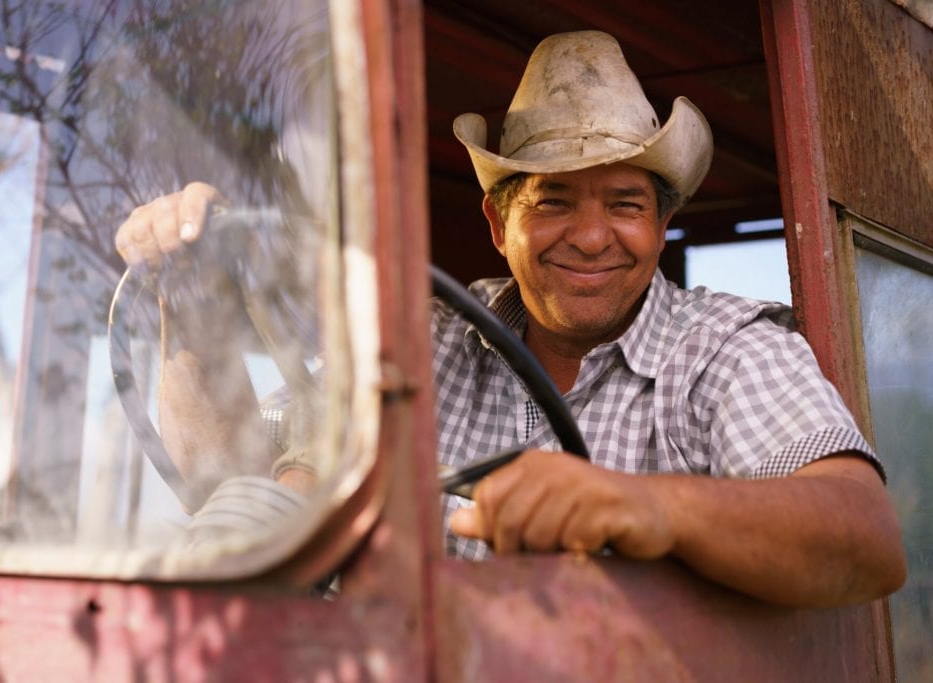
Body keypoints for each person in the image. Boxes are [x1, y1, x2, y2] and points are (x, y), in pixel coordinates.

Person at [114, 31, 905, 608]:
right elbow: (238, 493)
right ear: (500, 226)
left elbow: (864, 536)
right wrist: (190, 308)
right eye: (552, 201)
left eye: (625, 204)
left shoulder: (723, 350)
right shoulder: (421, 341)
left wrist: (648, 506)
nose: (591, 235)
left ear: (659, 225)